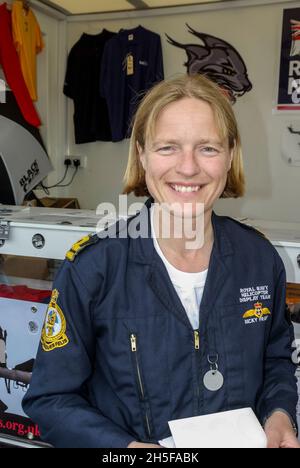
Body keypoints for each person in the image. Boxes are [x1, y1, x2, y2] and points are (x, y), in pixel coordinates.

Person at [23, 74, 299, 448]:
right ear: (141, 155)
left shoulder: (260, 260)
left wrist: (279, 415)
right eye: (168, 147)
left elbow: (276, 360)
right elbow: (50, 399)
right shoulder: (93, 269)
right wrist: (128, 451)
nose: (187, 168)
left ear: (231, 155)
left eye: (208, 148)